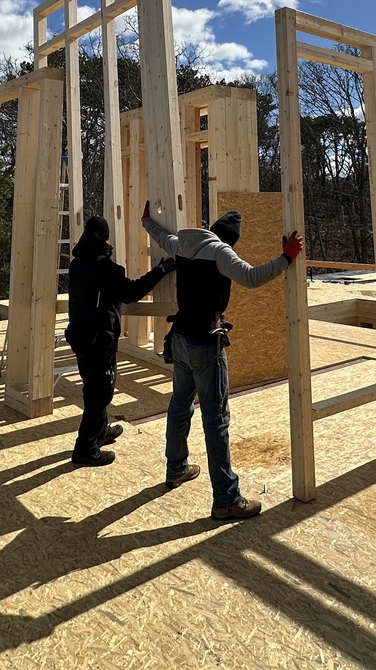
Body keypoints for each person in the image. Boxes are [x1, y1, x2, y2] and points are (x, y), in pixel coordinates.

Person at [141, 201, 304, 519]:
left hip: (180, 338)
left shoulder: (184, 244)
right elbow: (253, 277)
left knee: (179, 405)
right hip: (205, 344)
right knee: (216, 421)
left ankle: (176, 469)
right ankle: (226, 499)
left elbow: (163, 237)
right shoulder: (220, 252)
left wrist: (147, 221)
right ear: (230, 239)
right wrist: (287, 257)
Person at [65, 215, 176, 467]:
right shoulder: (102, 267)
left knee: (93, 386)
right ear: (106, 238)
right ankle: (85, 448)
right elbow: (131, 292)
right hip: (96, 340)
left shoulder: (78, 263)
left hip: (81, 336)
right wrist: (160, 271)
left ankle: (101, 431)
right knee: (101, 391)